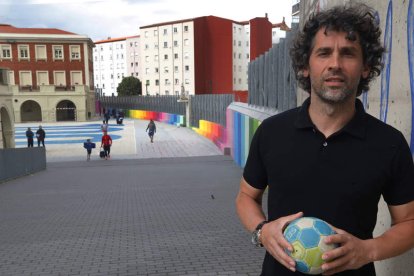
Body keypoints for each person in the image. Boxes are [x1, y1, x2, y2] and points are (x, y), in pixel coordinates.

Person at [235, 3, 414, 276]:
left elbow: (409, 221)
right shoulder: (272, 132)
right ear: (306, 66)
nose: (335, 64)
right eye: (323, 53)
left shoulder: (389, 143)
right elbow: (246, 196)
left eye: (348, 54)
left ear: (365, 67)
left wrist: (368, 250)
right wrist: (262, 230)